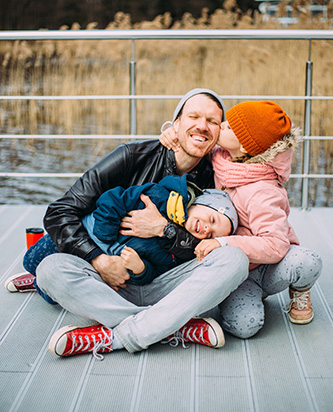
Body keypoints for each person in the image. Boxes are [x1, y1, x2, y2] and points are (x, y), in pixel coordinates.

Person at [6, 88, 250, 357]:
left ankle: (129, 331)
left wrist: (164, 229)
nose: (202, 126)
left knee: (234, 259)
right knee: (48, 269)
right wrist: (99, 259)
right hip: (110, 278)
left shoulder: (218, 175)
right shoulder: (133, 156)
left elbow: (213, 239)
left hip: (164, 281)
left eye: (212, 121)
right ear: (176, 124)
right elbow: (60, 211)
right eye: (193, 116)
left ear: (218, 132)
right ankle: (171, 326)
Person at [161, 100, 323, 338]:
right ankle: (248, 294)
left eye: (230, 126)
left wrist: (223, 243)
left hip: (269, 266)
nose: (222, 125)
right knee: (244, 326)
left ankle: (300, 288)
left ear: (246, 148)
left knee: (308, 261)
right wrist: (171, 133)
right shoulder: (223, 159)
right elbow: (193, 143)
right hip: (237, 272)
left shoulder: (262, 190)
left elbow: (275, 245)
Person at [8, 175, 237, 291]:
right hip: (87, 234)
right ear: (200, 203)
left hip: (105, 266)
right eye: (213, 219)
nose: (207, 228)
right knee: (30, 261)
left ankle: (40, 284)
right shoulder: (160, 196)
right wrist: (105, 238)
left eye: (212, 234)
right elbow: (112, 199)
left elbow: (156, 271)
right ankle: (36, 274)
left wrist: (139, 268)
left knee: (48, 292)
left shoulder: (180, 251)